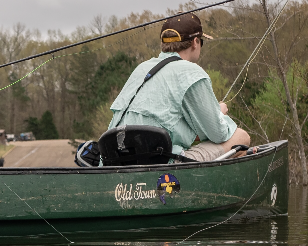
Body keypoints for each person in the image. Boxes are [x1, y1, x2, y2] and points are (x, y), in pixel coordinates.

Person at [107, 12, 250, 161]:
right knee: (241, 137)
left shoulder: (141, 69)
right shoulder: (191, 72)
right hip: (162, 166)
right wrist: (219, 113)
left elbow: (165, 126)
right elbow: (218, 134)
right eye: (201, 41)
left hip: (116, 162)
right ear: (195, 42)